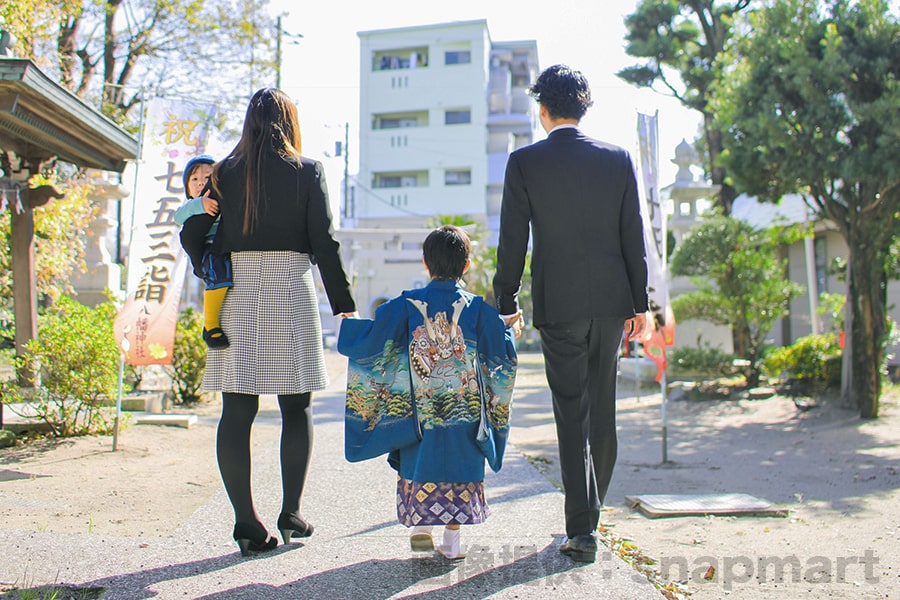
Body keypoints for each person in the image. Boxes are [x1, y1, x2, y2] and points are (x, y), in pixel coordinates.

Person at [492, 64, 650, 563]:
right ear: (583, 108)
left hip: (558, 306)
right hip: (611, 306)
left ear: (543, 110)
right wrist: (640, 304)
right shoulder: (618, 158)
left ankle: (582, 528)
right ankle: (592, 514)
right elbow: (633, 235)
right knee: (602, 409)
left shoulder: (523, 163)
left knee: (570, 412)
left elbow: (512, 241)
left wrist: (505, 303)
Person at [192, 88, 357, 557]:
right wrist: (343, 302)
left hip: (235, 293)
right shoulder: (307, 171)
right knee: (295, 406)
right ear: (290, 121)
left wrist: (204, 261)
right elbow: (323, 242)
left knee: (237, 410)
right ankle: (292, 513)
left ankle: (246, 523)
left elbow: (197, 229)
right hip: (290, 288)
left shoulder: (222, 173)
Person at [337, 225, 517, 560]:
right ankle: (451, 542)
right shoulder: (477, 308)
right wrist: (510, 331)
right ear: (466, 266)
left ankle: (421, 529)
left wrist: (350, 326)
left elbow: (374, 338)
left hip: (418, 416)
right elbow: (501, 354)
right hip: (465, 414)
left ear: (425, 262)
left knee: (420, 462)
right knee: (463, 465)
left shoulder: (406, 304)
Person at [175, 154, 233, 348]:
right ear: (188, 189)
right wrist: (200, 205)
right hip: (209, 248)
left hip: (226, 244)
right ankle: (210, 326)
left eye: (207, 177)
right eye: (195, 179)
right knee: (217, 274)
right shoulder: (192, 205)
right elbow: (178, 217)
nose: (201, 183)